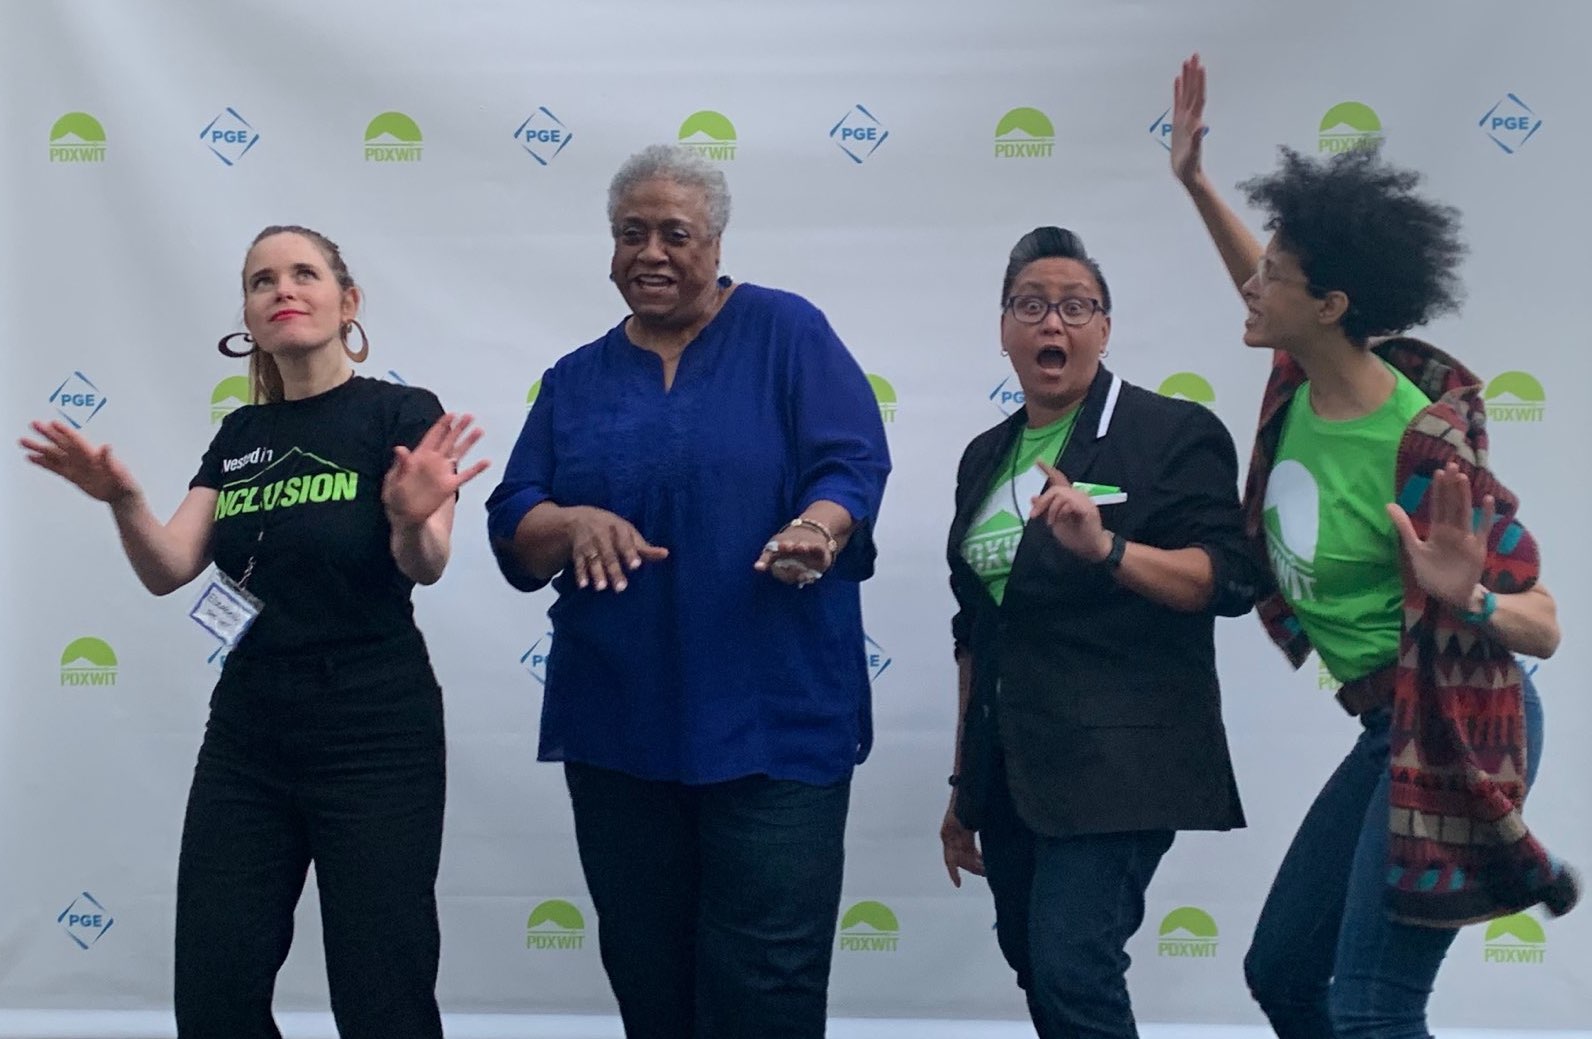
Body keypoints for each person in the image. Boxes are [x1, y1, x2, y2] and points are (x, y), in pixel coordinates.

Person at [1168, 55, 1578, 1039]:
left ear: (1331, 305)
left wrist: (1464, 593)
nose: (1249, 287)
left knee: (1372, 1008)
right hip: (1382, 723)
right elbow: (1261, 284)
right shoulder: (1298, 375)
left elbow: (1545, 625)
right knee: (1282, 974)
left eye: (1273, 276)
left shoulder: (1420, 447)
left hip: (1458, 717)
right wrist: (1190, 179)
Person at [20, 224, 488, 1039]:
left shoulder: (401, 413)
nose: (282, 289)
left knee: (382, 990)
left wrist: (410, 519)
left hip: (375, 730)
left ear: (349, 303)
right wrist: (123, 499)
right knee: (214, 986)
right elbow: (171, 566)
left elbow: (427, 562)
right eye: (261, 279)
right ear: (246, 311)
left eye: (304, 273)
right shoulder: (240, 436)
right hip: (250, 732)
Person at [484, 144, 890, 1039]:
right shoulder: (576, 377)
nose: (651, 252)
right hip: (621, 725)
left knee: (767, 983)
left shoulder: (789, 332)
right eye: (632, 234)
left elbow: (851, 464)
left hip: (775, 721)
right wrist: (570, 521)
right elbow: (515, 512)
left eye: (676, 232)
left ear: (715, 241)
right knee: (648, 973)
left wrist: (815, 530)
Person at [939, 225, 1259, 1039]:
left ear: (1106, 327)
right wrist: (962, 786)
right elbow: (974, 627)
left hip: (1120, 760)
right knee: (1031, 958)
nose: (1054, 324)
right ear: (1005, 327)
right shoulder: (985, 456)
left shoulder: (1170, 431)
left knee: (1073, 962)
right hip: (1011, 766)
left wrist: (1108, 548)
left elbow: (1225, 578)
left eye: (1076, 307)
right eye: (1032, 306)